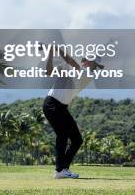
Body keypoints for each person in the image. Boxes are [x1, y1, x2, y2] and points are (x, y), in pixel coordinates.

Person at [42, 45, 104, 179]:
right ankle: (59, 170)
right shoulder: (72, 69)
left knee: (77, 140)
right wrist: (50, 54)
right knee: (63, 134)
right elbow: (48, 71)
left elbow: (71, 62)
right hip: (52, 104)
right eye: (95, 65)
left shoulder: (88, 74)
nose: (96, 69)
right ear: (87, 61)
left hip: (60, 107)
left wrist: (55, 49)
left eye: (97, 66)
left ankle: (63, 168)